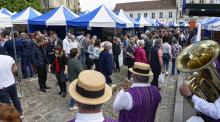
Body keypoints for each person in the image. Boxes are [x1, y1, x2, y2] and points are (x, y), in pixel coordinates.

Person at [0, 52, 23, 117]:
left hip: (2, 87)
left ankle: (12, 118)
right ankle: (20, 114)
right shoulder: (9, 58)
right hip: (11, 83)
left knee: (7, 105)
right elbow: (15, 70)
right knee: (15, 99)